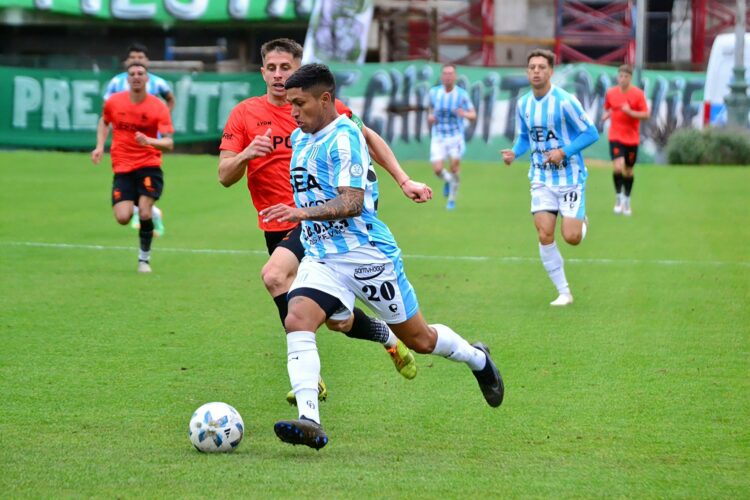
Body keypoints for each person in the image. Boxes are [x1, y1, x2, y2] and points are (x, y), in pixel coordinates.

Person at [261, 63, 504, 450]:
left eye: (299, 103)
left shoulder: (343, 137)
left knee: (421, 340)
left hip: (366, 255)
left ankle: (478, 359)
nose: (292, 111)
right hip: (322, 256)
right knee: (297, 317)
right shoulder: (302, 136)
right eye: (289, 103)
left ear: (325, 100)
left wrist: (302, 213)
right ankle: (310, 420)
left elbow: (353, 202)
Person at [218, 39, 433, 403]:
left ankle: (310, 383)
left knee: (273, 275)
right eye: (271, 68)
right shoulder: (245, 114)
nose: (277, 75)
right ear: (261, 72)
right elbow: (224, 175)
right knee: (338, 320)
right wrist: (246, 154)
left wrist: (403, 179)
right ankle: (388, 339)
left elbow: (368, 138)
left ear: (299, 69)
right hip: (275, 224)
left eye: (285, 67)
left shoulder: (318, 105)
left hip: (314, 222)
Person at [501, 49, 599, 306]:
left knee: (572, 238)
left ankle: (580, 220)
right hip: (541, 178)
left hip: (570, 178)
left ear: (551, 71)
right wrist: (514, 152)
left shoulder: (565, 101)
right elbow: (524, 137)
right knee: (544, 234)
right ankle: (564, 292)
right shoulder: (523, 104)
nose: (536, 71)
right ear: (527, 71)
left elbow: (591, 133)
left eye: (541, 67)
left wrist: (563, 152)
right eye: (532, 67)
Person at [91, 62, 174, 273]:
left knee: (144, 214)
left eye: (141, 74)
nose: (136, 77)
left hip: (149, 165)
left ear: (147, 79)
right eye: (132, 74)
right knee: (122, 217)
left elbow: (169, 143)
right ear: (127, 79)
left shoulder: (158, 106)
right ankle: (146, 204)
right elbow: (104, 120)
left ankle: (143, 260)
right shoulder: (114, 102)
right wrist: (100, 146)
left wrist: (149, 141)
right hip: (122, 165)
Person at [102, 43, 174, 236]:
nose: (137, 61)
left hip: (148, 146)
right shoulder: (116, 84)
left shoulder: (157, 83)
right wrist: (100, 145)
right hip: (124, 149)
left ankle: (146, 210)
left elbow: (170, 99)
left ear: (147, 62)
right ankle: (145, 209)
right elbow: (106, 114)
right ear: (127, 63)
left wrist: (162, 123)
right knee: (123, 214)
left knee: (145, 194)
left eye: (141, 58)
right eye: (133, 57)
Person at [602, 64, 650, 216]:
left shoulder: (638, 94)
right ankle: (618, 197)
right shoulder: (611, 93)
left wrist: (630, 112)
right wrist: (607, 114)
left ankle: (627, 199)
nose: (622, 79)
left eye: (626, 76)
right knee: (617, 167)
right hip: (615, 135)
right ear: (618, 77)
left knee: (628, 170)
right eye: (620, 76)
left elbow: (646, 115)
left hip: (631, 138)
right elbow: (609, 107)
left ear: (631, 78)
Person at [427, 64, 477, 210]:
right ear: (442, 76)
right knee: (437, 169)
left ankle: (452, 200)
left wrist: (464, 114)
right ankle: (448, 180)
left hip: (456, 137)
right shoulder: (434, 93)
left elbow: (473, 115)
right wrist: (430, 117)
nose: (448, 76)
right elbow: (430, 109)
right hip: (439, 136)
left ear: (455, 76)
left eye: (450, 74)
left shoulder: (461, 94)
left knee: (454, 167)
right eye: (445, 73)